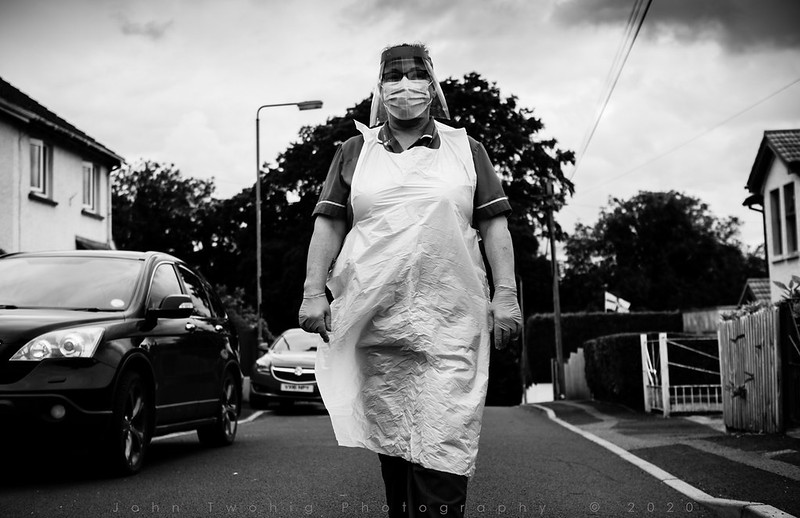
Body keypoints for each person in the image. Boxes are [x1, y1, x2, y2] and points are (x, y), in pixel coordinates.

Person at [299, 43, 522, 518]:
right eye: (394, 76)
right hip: (375, 319)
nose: (405, 85)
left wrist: (506, 295)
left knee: (444, 436)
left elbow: (495, 225)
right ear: (379, 88)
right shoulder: (354, 152)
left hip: (451, 320)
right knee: (394, 439)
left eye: (415, 74)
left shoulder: (467, 150)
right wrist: (313, 293)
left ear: (432, 84)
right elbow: (329, 223)